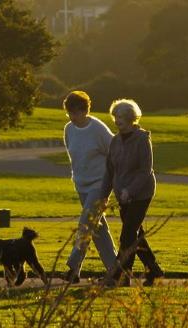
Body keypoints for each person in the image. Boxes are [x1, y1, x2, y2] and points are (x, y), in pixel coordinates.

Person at [100, 98, 164, 287]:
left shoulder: (142, 139)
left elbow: (145, 170)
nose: (117, 120)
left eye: (121, 117)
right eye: (115, 116)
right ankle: (154, 270)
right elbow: (110, 171)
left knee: (127, 234)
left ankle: (119, 275)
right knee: (135, 235)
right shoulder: (115, 141)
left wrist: (131, 190)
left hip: (141, 193)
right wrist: (104, 196)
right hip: (123, 195)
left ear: (130, 118)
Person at [61, 91, 118, 283]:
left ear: (85, 111)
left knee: (86, 224)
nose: (72, 117)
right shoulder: (69, 129)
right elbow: (73, 156)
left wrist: (110, 183)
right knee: (98, 230)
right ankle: (116, 272)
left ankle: (72, 264)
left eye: (75, 113)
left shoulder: (98, 129)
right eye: (69, 113)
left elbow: (114, 153)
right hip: (81, 185)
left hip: (100, 184)